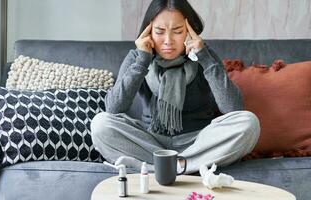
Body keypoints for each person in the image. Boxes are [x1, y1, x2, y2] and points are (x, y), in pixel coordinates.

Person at [91, 0, 259, 174]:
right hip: (151, 143)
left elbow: (234, 108)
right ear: (148, 31)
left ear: (189, 30)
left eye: (177, 31)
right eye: (160, 31)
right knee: (101, 124)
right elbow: (113, 108)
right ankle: (187, 167)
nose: (168, 41)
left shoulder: (203, 54)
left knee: (249, 123)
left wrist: (205, 58)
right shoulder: (138, 57)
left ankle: (166, 168)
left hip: (199, 142)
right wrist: (142, 61)